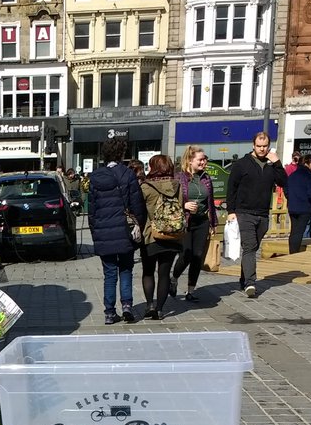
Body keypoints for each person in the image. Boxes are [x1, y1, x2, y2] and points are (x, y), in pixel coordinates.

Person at [88, 137, 146, 325]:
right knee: (126, 269)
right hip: (125, 230)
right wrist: (139, 227)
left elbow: (92, 210)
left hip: (104, 232)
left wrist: (95, 232)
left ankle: (109, 312)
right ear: (122, 153)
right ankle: (127, 306)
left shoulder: (95, 177)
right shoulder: (128, 175)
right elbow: (137, 206)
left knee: (110, 273)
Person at [225, 132, 287, 298]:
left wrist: (277, 163)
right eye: (259, 146)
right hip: (244, 212)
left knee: (252, 248)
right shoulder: (242, 164)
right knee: (250, 247)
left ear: (268, 145)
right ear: (253, 145)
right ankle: (250, 283)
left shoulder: (271, 164)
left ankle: (244, 277)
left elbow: (283, 182)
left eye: (265, 146)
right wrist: (231, 211)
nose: (262, 149)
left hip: (263, 214)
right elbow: (231, 188)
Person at [139, 154, 182, 320]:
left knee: (148, 272)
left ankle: (150, 305)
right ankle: (160, 309)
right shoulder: (177, 185)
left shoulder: (146, 187)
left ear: (153, 167)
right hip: (172, 235)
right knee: (164, 273)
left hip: (151, 235)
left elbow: (140, 211)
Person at [171, 145, 217, 302]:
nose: (204, 162)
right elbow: (170, 201)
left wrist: (213, 223)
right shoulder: (179, 178)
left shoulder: (206, 178)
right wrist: (184, 205)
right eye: (200, 159)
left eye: (205, 159)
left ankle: (191, 290)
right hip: (185, 222)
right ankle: (174, 277)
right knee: (186, 254)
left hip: (202, 221)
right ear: (190, 161)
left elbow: (210, 202)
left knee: (197, 256)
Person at [284, 154, 311, 255]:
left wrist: (291, 199)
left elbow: (286, 189)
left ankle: (292, 251)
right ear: (308, 163)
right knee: (299, 232)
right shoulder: (309, 175)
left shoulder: (292, 175)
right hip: (305, 207)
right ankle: (295, 253)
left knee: (294, 231)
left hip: (293, 206)